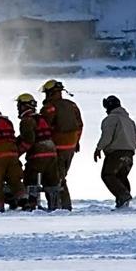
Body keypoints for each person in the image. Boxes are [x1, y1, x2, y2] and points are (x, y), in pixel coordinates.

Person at [15, 93, 64, 211]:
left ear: (23, 106)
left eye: (19, 105)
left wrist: (16, 154)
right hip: (52, 152)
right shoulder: (41, 118)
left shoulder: (26, 121)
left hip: (38, 153)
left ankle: (32, 204)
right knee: (51, 180)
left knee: (30, 178)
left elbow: (28, 141)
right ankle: (54, 205)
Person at [40, 79, 82, 210]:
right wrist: (76, 141)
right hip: (71, 147)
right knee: (61, 177)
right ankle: (63, 205)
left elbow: (43, 128)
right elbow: (80, 125)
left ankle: (59, 206)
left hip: (56, 148)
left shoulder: (49, 108)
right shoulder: (72, 105)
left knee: (53, 178)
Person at [94, 95, 136, 209]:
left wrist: (98, 148)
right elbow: (135, 138)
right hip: (129, 153)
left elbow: (107, 137)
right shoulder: (130, 121)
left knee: (108, 175)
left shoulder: (111, 119)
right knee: (121, 176)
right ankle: (124, 203)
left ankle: (123, 197)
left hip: (115, 153)